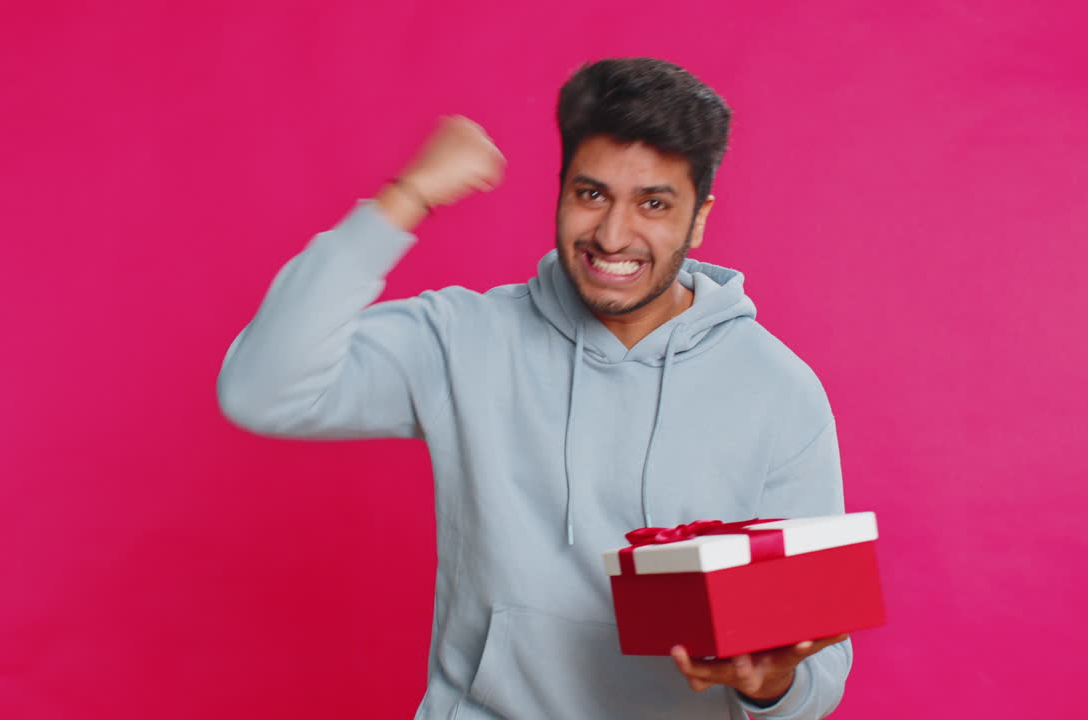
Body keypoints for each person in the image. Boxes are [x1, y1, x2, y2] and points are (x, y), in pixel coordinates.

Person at [217, 57, 852, 719]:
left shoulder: (777, 392)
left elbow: (818, 673)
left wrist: (770, 684)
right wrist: (404, 199)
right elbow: (261, 389)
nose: (612, 235)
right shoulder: (466, 338)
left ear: (698, 219)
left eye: (654, 204)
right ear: (561, 191)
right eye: (592, 193)